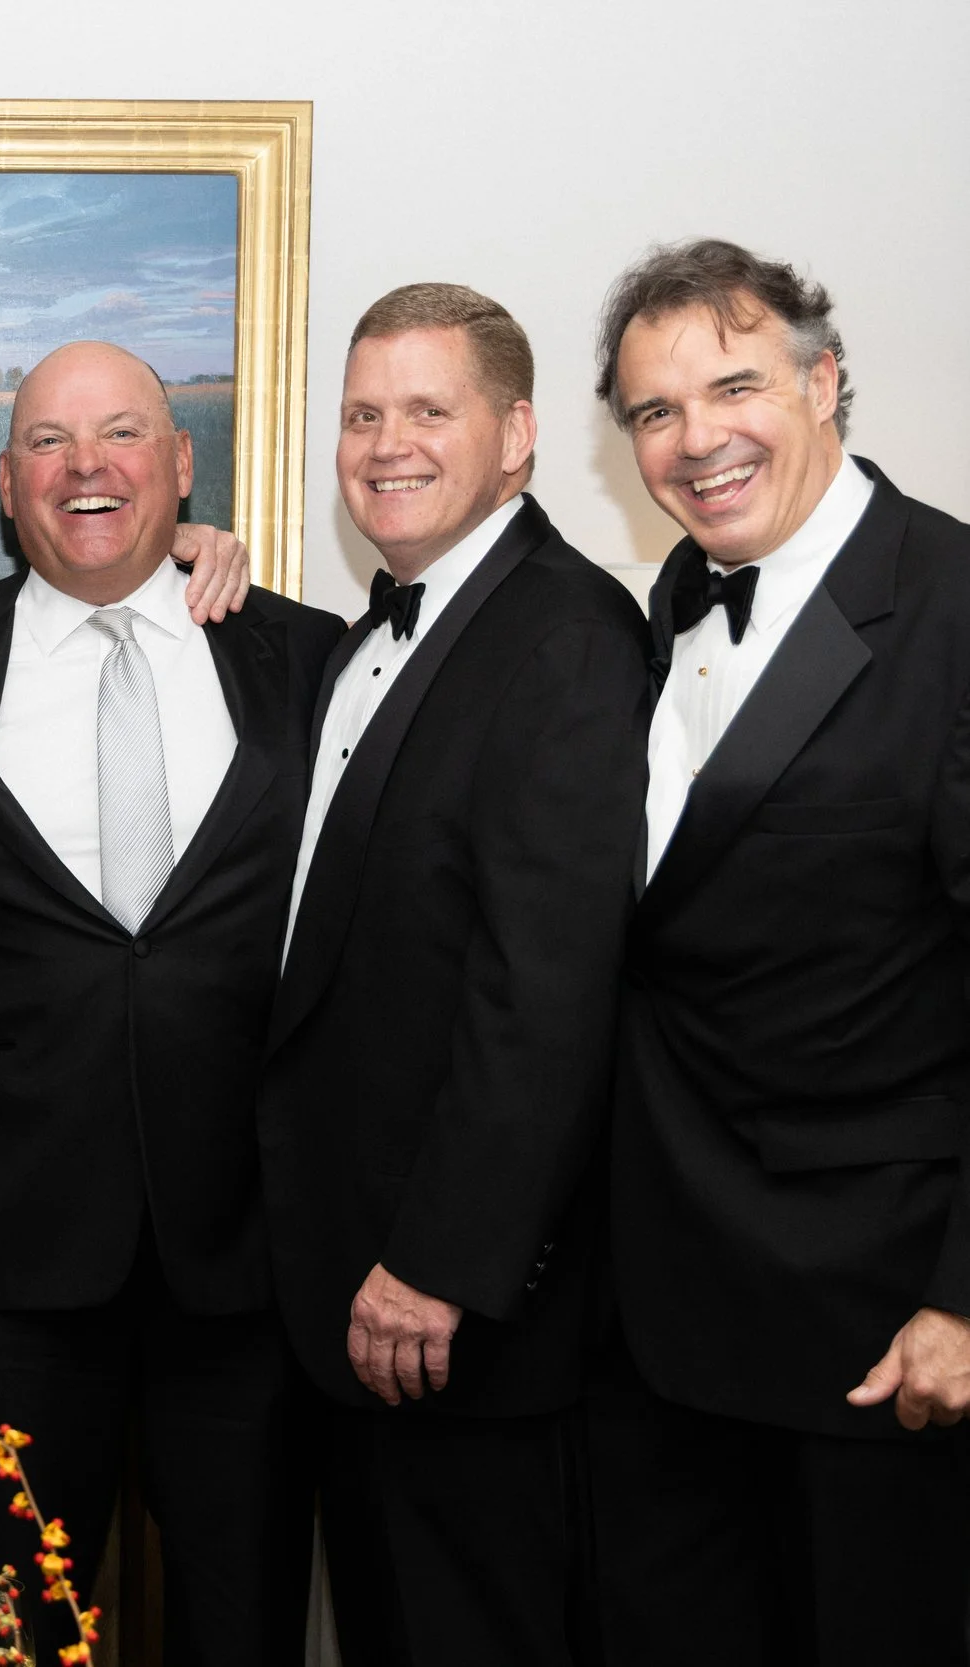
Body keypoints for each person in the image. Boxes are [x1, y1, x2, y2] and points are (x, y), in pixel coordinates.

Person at [0, 340, 340, 1665]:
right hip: (4, 1268)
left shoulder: (306, 659)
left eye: (123, 433)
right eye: (47, 440)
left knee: (242, 1624)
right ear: (6, 480)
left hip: (248, 1262)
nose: (86, 465)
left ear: (182, 463)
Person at [588, 238, 970, 1665]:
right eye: (656, 411)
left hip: (880, 1327)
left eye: (734, 386)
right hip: (663, 1318)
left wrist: (965, 1300)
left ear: (823, 383)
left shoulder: (951, 603)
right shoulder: (665, 606)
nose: (698, 440)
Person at [257, 284, 648, 1665]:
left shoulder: (568, 636)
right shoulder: (365, 643)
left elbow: (545, 992)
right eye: (363, 413)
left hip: (453, 1317)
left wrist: (436, 1265)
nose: (387, 444)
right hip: (349, 1295)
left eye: (429, 410)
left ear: (518, 435)